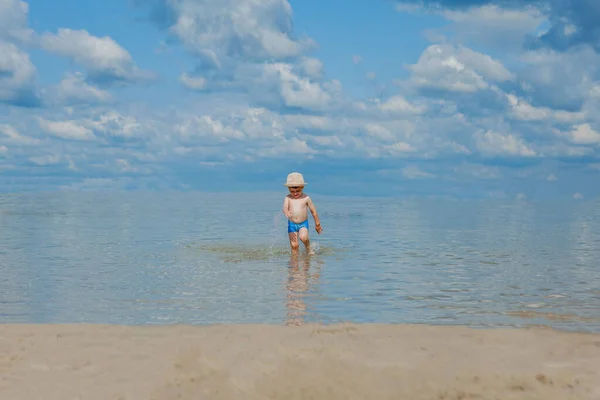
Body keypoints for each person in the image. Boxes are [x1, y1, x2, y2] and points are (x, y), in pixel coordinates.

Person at [282, 172, 323, 254]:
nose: (295, 193)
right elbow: (285, 207)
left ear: (302, 187)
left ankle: (308, 247)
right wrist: (286, 211)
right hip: (292, 224)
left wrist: (317, 224)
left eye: (298, 191)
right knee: (294, 245)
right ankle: (294, 263)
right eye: (292, 191)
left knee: (303, 237)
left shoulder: (306, 198)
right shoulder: (288, 198)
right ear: (289, 189)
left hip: (303, 223)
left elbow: (313, 211)